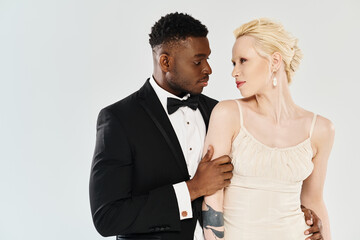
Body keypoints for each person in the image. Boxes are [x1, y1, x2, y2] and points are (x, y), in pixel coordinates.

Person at [89, 13, 323, 240]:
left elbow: (255, 182)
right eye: (198, 61)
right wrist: (192, 189)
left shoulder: (220, 112)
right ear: (166, 61)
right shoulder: (120, 119)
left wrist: (302, 214)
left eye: (208, 59)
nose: (208, 69)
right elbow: (107, 217)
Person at [202, 18, 334, 240]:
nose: (234, 72)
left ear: (274, 61)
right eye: (233, 63)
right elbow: (212, 197)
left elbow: (313, 200)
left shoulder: (321, 129)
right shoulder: (228, 114)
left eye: (243, 61)